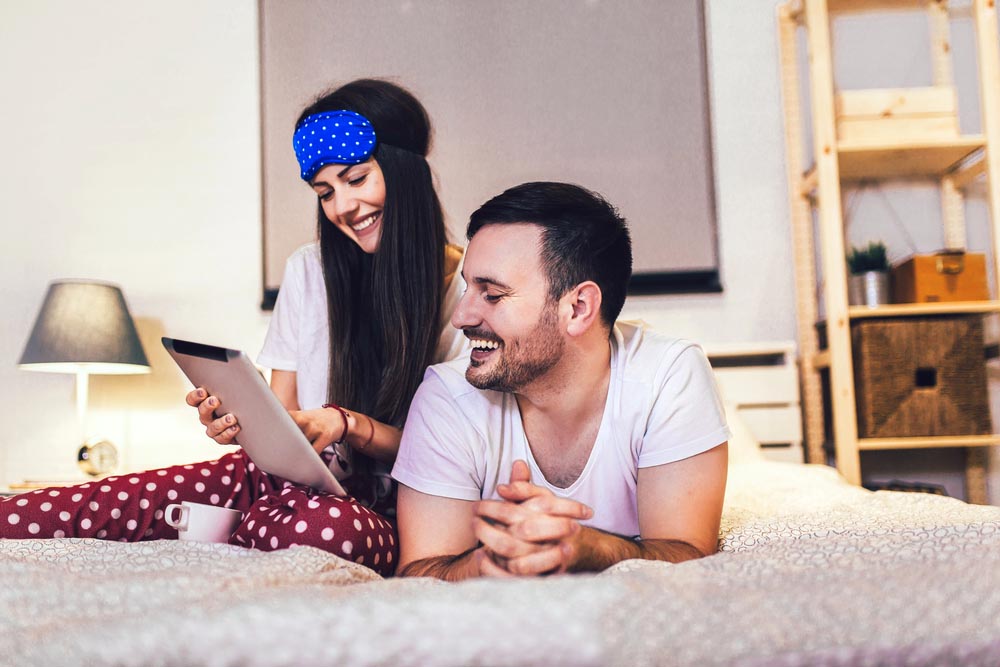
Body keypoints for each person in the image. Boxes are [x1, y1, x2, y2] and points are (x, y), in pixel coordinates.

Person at [1, 79, 467, 576]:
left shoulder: (473, 295)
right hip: (283, 488)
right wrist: (247, 423)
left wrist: (346, 424)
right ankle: (230, 528)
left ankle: (220, 536)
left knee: (317, 531)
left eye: (357, 179)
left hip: (386, 514)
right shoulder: (310, 271)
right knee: (64, 509)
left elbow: (460, 454)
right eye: (325, 192)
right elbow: (285, 418)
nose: (342, 208)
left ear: (406, 170)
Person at [391, 181, 730, 580]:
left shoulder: (668, 375)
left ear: (578, 308)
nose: (461, 317)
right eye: (468, 288)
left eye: (492, 294)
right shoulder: (447, 396)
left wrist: (589, 548)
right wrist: (489, 561)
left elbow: (688, 552)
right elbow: (419, 572)